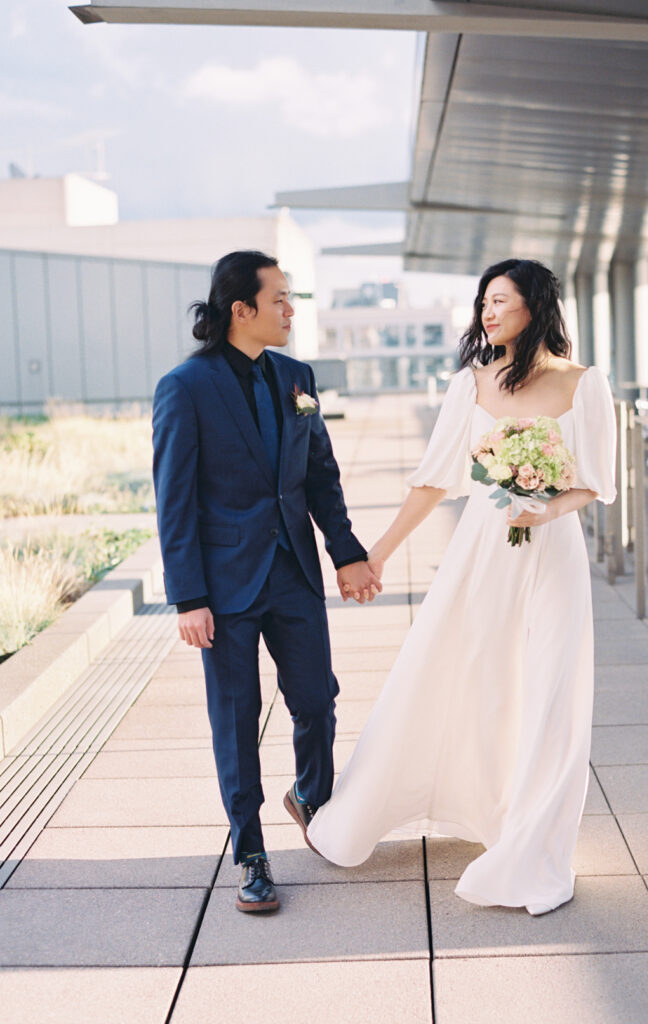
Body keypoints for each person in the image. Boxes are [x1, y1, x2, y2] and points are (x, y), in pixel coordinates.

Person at [304, 258, 616, 915]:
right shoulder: (468, 386)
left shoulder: (586, 385)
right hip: (481, 552)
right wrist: (376, 555)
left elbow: (598, 482)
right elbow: (433, 481)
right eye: (484, 303)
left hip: (551, 555)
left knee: (552, 694)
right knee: (449, 674)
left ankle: (529, 849)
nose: (488, 313)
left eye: (501, 300)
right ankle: (378, 809)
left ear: (536, 306)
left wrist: (546, 506)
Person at [152, 250, 380, 915]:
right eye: (279, 299)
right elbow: (174, 500)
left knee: (317, 698)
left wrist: (346, 553)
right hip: (222, 587)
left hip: (294, 573)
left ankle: (312, 797)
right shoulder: (184, 387)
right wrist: (188, 596)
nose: (290, 310)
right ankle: (250, 851)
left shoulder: (296, 376)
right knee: (237, 715)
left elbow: (320, 475)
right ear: (240, 310)